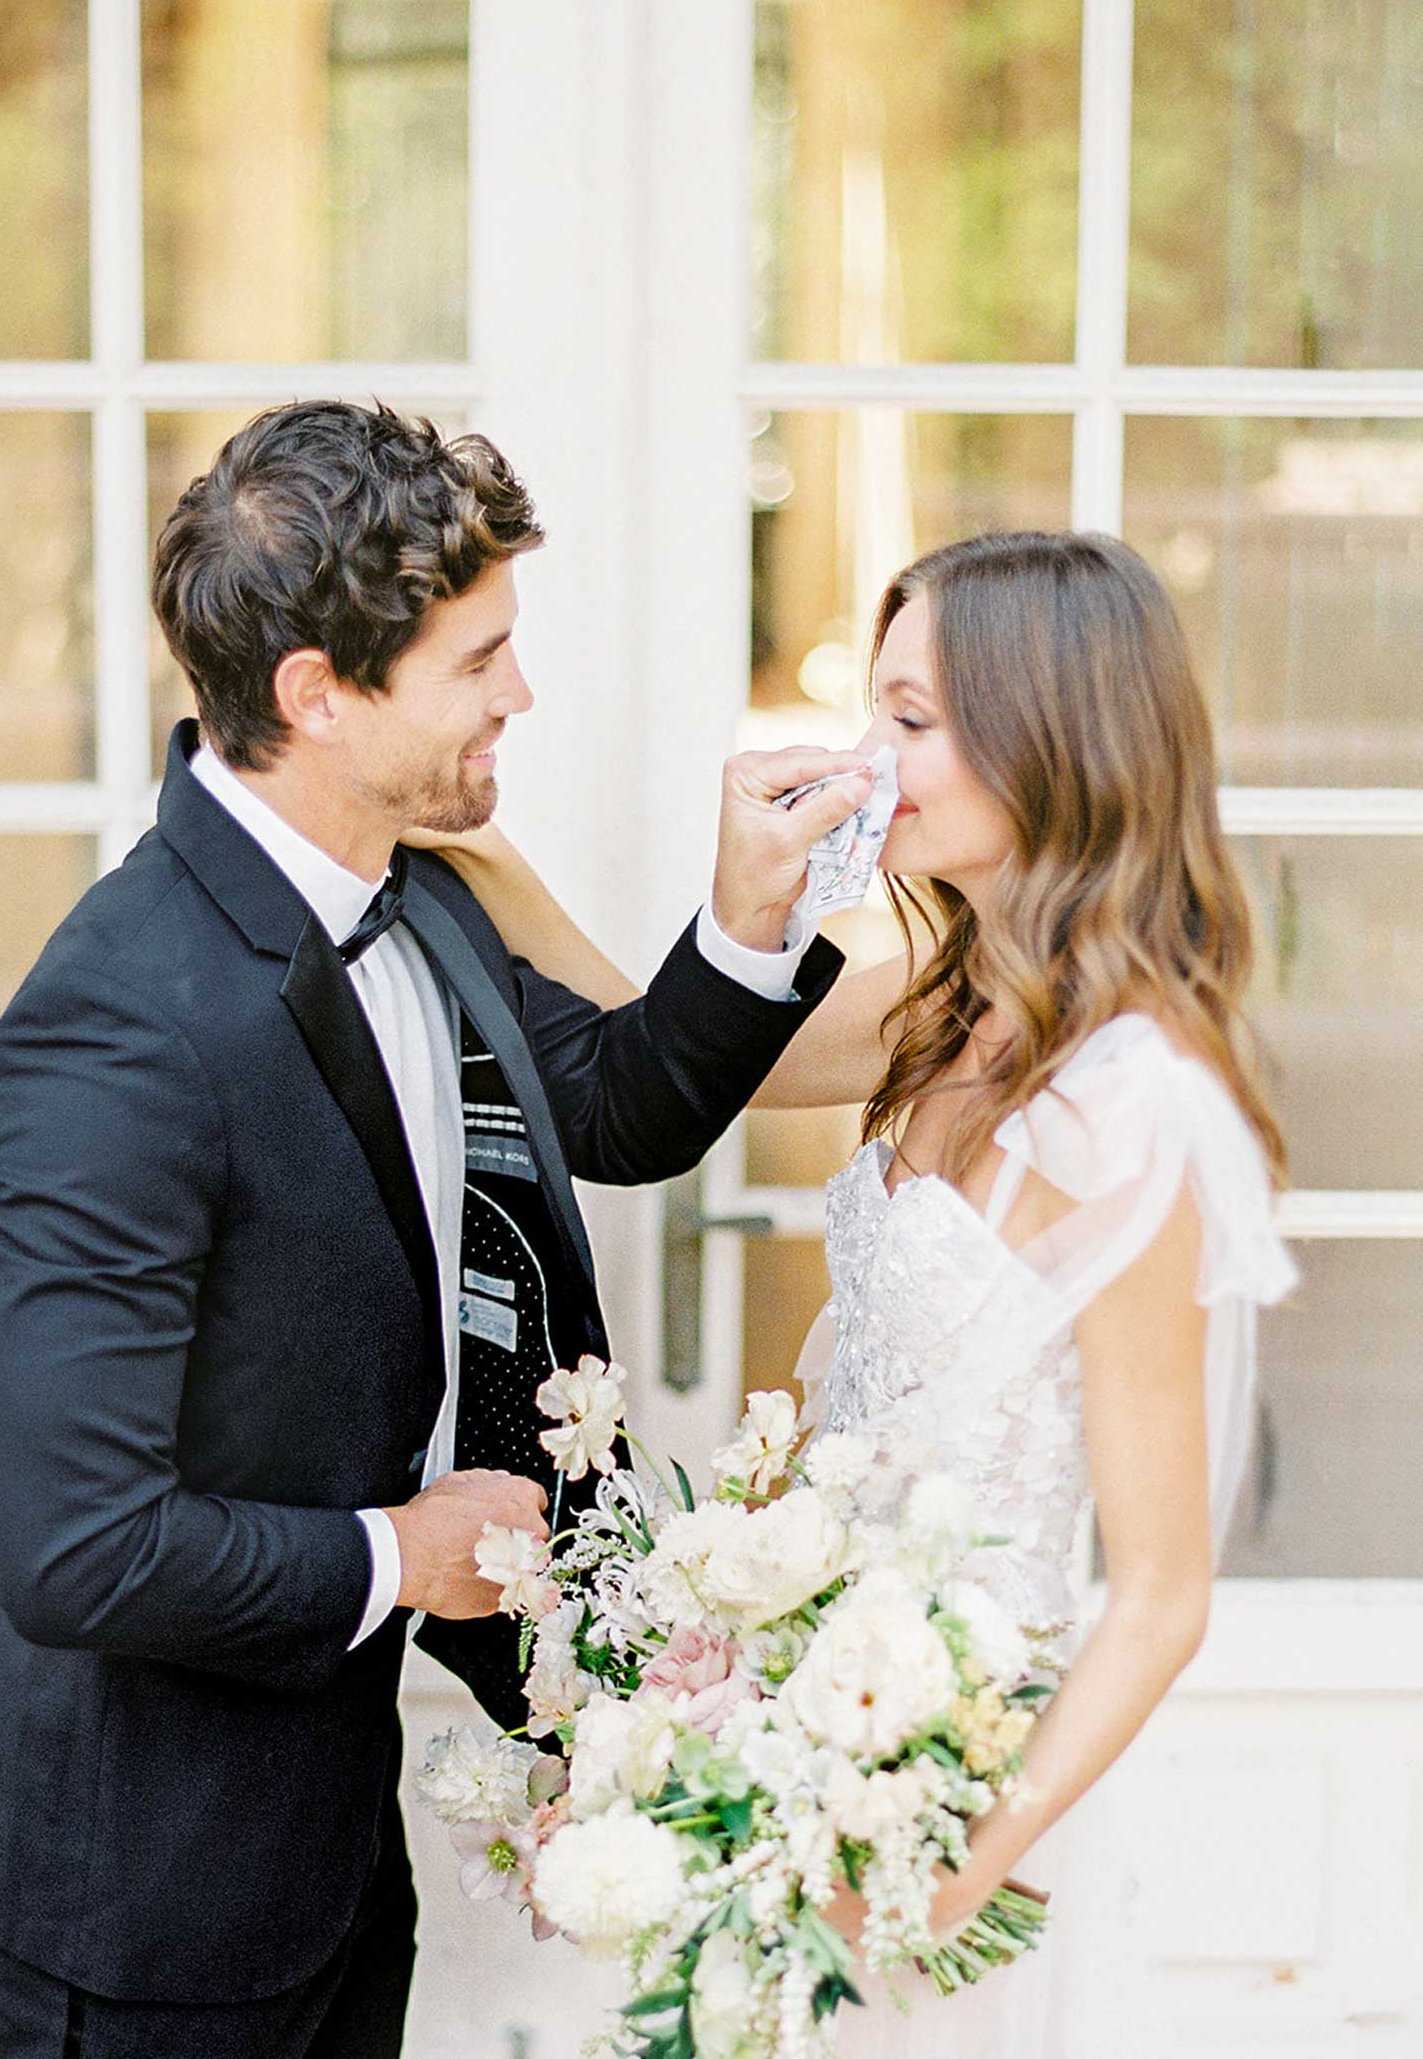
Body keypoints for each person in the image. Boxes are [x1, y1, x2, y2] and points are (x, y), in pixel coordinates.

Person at [0, 399, 877, 2059]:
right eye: (476, 658)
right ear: (317, 696)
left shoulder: (412, 877)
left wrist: (748, 910)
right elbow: (74, 1550)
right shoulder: (116, 1027)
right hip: (142, 1876)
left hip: (327, 1839)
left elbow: (616, 1108)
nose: (521, 693)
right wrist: (402, 1555)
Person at [418, 528, 1298, 2056]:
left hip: (958, 1824)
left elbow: (1159, 1599)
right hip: (803, 1764)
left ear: (1050, 741)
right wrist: (474, 856)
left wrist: (933, 1880)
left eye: (905, 719)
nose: (857, 758)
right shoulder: (928, 995)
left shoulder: (1140, 1109)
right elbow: (643, 1052)